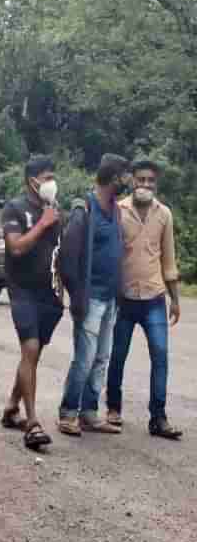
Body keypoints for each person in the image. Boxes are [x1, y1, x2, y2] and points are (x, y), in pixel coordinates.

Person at [106, 160, 183, 440]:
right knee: (117, 355)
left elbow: (169, 260)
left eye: (150, 180)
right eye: (141, 180)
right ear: (133, 182)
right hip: (124, 298)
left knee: (160, 356)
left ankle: (158, 417)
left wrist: (175, 300)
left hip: (154, 298)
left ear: (156, 183)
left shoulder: (164, 214)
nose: (145, 185)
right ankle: (113, 409)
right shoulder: (118, 211)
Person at [56, 154, 130, 436]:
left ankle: (89, 413)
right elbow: (67, 258)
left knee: (101, 358)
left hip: (110, 298)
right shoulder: (84, 209)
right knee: (85, 359)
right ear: (113, 179)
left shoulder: (116, 210)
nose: (128, 182)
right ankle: (68, 413)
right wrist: (77, 296)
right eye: (124, 176)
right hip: (91, 298)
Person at [0, 155, 64, 451]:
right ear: (32, 181)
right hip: (22, 289)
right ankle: (33, 422)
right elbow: (16, 248)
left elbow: (58, 252)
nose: (51, 183)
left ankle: (12, 405)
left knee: (32, 355)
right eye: (47, 177)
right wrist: (42, 223)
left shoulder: (54, 210)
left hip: (48, 293)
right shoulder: (15, 208)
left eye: (53, 177)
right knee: (31, 348)